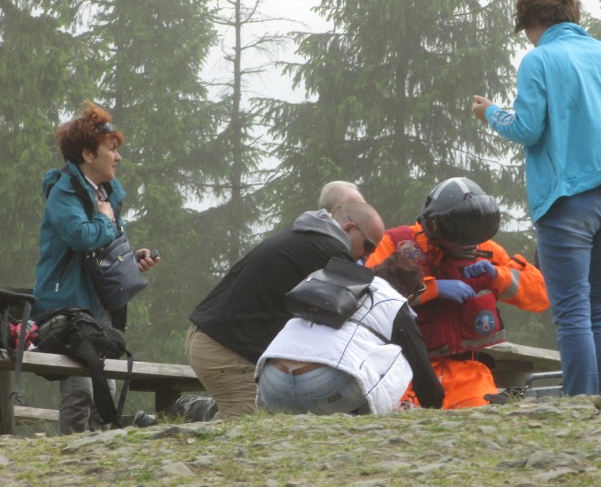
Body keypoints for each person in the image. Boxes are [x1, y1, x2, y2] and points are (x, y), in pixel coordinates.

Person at [472, 0, 601, 396]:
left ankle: (580, 408)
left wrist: (490, 112)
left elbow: (526, 128)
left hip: (566, 202)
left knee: (573, 313)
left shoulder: (538, 60)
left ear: (532, 22)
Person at [186, 202, 384, 419]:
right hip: (227, 349)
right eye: (368, 247)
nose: (366, 258)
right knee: (249, 427)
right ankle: (191, 417)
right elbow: (344, 325)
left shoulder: (307, 236)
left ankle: (192, 413)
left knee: (255, 421)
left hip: (210, 337)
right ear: (349, 229)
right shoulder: (332, 253)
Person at [365, 177, 549, 408]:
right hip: (403, 369)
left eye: (475, 239)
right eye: (461, 239)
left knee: (479, 422)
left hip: (469, 376)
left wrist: (498, 275)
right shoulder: (395, 243)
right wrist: (432, 289)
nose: (469, 246)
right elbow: (369, 297)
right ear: (434, 226)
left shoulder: (487, 251)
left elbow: (541, 297)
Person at [32, 102, 160, 434]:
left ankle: (96, 457)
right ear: (88, 155)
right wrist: (104, 218)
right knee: (80, 390)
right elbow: (83, 237)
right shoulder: (63, 192)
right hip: (69, 307)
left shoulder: (107, 194)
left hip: (99, 305)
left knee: (108, 385)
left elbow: (109, 247)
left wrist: (133, 260)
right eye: (111, 149)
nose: (117, 157)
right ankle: (68, 460)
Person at [256, 252, 444, 414]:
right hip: (325, 389)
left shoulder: (335, 284)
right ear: (409, 296)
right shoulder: (393, 302)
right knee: (401, 354)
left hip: (272, 386)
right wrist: (433, 406)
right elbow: (421, 370)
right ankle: (378, 413)